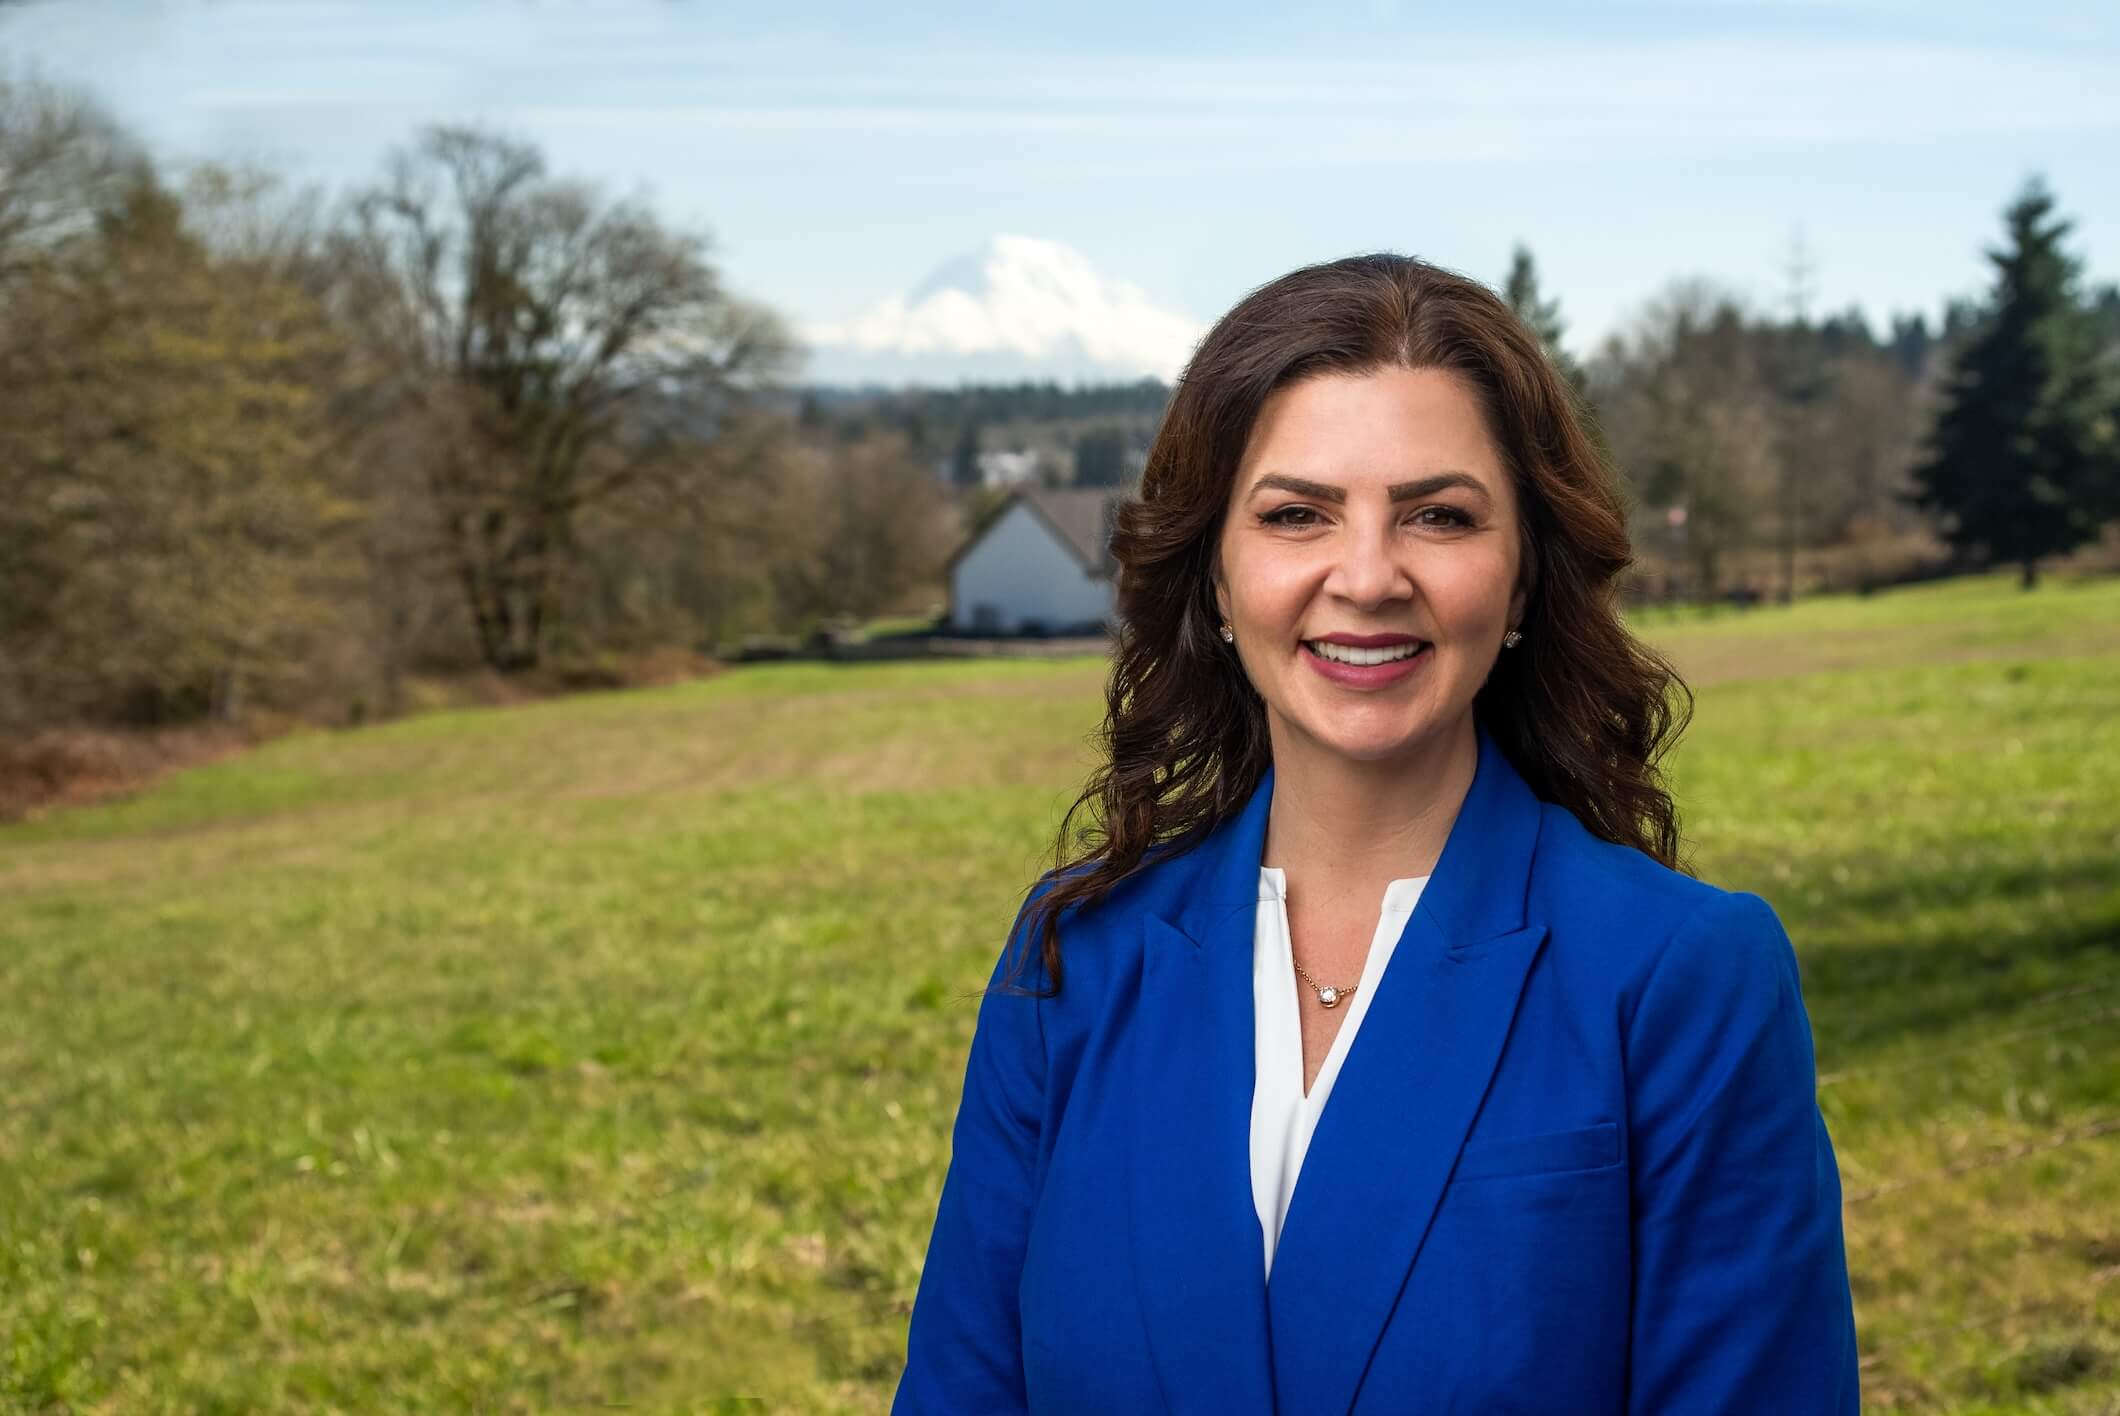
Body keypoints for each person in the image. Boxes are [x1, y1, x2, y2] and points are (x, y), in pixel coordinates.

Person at [891, 253, 1860, 1414]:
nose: (1364, 576)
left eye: (1436, 516)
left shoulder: (1679, 979)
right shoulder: (1073, 962)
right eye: (1296, 514)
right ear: (1212, 575)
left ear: (1519, 581)